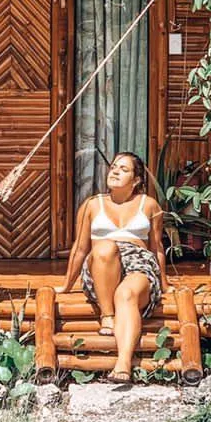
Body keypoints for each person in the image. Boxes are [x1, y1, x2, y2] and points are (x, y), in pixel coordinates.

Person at [56, 152, 168, 385]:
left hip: (138, 262)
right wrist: (66, 285)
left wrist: (165, 284)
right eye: (114, 167)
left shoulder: (149, 205)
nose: (115, 171)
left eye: (123, 169)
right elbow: (79, 248)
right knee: (105, 247)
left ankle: (123, 364)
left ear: (136, 179)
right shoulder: (91, 205)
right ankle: (107, 315)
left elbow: (157, 247)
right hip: (100, 266)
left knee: (126, 294)